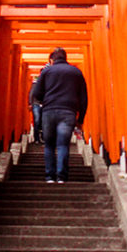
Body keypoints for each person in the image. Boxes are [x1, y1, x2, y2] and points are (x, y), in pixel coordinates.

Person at [30, 47, 88, 183]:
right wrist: (81, 118)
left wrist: (45, 100)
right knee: (63, 144)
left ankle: (50, 176)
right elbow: (84, 97)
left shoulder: (46, 72)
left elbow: (36, 93)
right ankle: (62, 176)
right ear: (65, 57)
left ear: (52, 59)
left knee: (49, 145)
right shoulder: (76, 72)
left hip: (49, 111)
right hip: (68, 112)